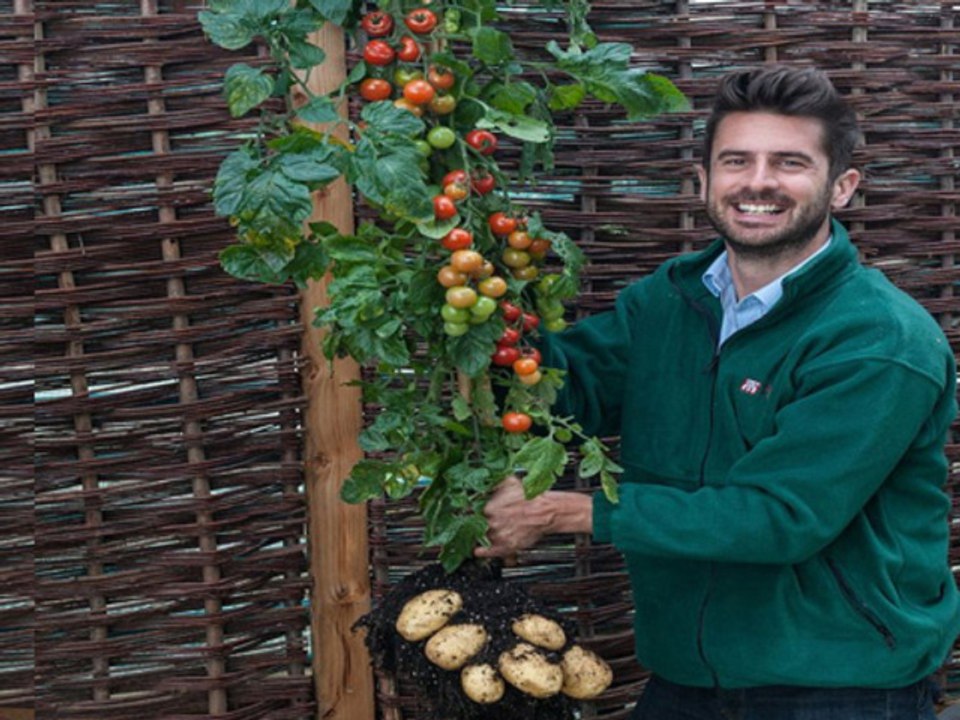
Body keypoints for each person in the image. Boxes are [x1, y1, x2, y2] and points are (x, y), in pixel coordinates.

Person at [475, 65, 960, 719]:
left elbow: (780, 517)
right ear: (703, 180)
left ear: (842, 186)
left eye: (789, 162)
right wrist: (483, 315)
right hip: (686, 677)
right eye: (737, 160)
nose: (758, 181)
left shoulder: (878, 340)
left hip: (841, 684)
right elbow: (563, 389)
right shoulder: (670, 300)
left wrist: (566, 512)